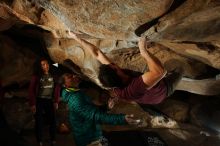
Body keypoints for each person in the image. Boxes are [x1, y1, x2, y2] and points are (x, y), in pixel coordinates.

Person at [66, 31, 182, 106]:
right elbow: (161, 72)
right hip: (162, 91)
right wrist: (143, 51)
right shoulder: (132, 89)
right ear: (118, 74)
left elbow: (97, 54)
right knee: (177, 65)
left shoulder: (114, 79)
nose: (113, 64)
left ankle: (152, 77)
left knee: (153, 69)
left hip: (147, 89)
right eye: (113, 66)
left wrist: (76, 38)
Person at [60, 73, 139, 146]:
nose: (74, 76)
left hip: (94, 133)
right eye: (69, 77)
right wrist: (122, 119)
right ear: (65, 85)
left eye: (72, 75)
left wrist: (106, 107)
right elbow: (96, 116)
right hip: (89, 139)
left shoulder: (76, 93)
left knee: (107, 143)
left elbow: (91, 111)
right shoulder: (75, 99)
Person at [28, 58, 60, 146]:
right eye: (43, 64)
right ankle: (39, 141)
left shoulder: (53, 75)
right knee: (39, 121)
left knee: (52, 120)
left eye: (47, 64)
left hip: (49, 100)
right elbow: (31, 90)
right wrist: (32, 104)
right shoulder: (36, 76)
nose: (46, 66)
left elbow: (57, 88)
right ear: (40, 66)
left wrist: (56, 101)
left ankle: (53, 140)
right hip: (39, 100)